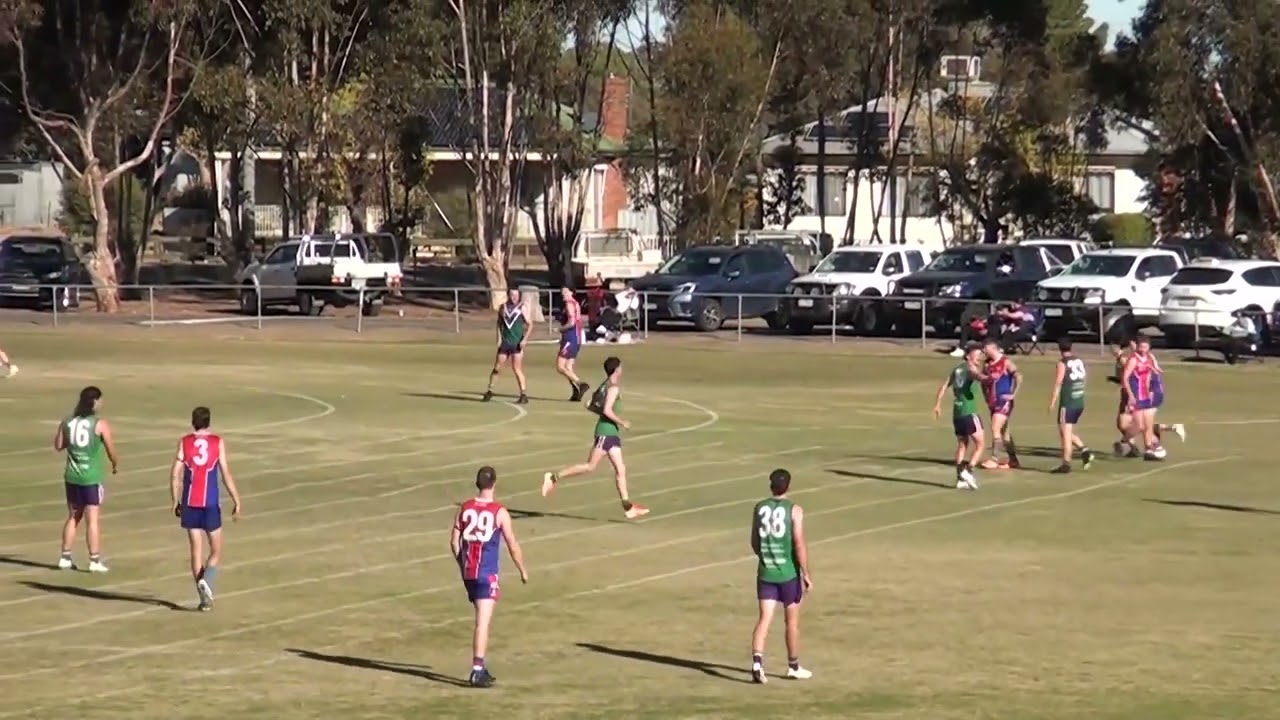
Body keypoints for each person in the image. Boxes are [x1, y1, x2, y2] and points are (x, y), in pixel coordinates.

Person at [541, 356, 649, 519]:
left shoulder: (604, 386)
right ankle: (553, 477)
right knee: (590, 467)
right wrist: (622, 422)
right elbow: (607, 410)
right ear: (616, 369)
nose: (622, 369)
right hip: (605, 432)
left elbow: (589, 404)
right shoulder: (612, 388)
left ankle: (628, 506)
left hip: (611, 433)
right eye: (620, 367)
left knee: (621, 469)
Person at [450, 466, 528, 688]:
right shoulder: (499, 511)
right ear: (494, 483)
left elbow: (454, 542)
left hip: (469, 572)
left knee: (480, 619)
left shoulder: (464, 508)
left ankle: (480, 668)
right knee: (482, 622)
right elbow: (512, 544)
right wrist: (522, 570)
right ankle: (477, 669)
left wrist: (462, 565)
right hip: (486, 573)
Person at [171, 406, 242, 611]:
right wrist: (236, 500)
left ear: (193, 421)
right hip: (210, 503)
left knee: (196, 552)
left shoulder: (185, 442)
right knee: (216, 551)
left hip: (190, 503)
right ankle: (207, 581)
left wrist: (175, 501)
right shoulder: (216, 442)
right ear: (209, 421)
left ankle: (203, 599)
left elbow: (175, 474)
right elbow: (226, 474)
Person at [750, 468, 813, 684]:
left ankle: (757, 663)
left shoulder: (759, 508)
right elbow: (798, 542)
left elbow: (754, 542)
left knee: (764, 619)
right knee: (791, 622)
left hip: (766, 572)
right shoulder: (794, 510)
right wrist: (805, 572)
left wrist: (766, 556)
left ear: (771, 486)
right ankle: (793, 666)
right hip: (788, 574)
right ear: (788, 486)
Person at [54, 386, 118, 572]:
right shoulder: (99, 424)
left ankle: (65, 557)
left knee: (74, 516)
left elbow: (59, 445)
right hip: (91, 477)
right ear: (94, 402)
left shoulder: (67, 421)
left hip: (72, 475)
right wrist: (115, 464)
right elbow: (111, 449)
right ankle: (94, 560)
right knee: (93, 519)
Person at [1120, 335, 1186, 460]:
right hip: (1136, 396)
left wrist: (1151, 390)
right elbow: (1125, 378)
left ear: (1149, 347)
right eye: (1141, 347)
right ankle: (1123, 441)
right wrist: (1130, 395)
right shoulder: (1133, 359)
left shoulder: (1149, 357)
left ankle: (1149, 450)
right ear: (1137, 347)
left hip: (1146, 395)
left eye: (1145, 347)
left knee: (1148, 424)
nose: (1143, 349)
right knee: (1139, 426)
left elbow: (1151, 373)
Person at [933, 343, 987, 490]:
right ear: (968, 356)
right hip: (969, 411)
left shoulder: (957, 369)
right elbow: (976, 375)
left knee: (962, 444)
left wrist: (937, 404)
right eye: (977, 355)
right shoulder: (971, 368)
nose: (980, 358)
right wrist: (986, 378)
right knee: (981, 444)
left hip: (957, 412)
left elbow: (944, 386)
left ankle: (959, 478)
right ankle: (968, 471)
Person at [1047, 338, 1094, 473]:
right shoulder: (1078, 360)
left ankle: (1066, 463)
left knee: (1065, 434)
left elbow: (1058, 382)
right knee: (1066, 431)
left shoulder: (1062, 363)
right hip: (1079, 400)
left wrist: (1053, 401)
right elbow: (1084, 377)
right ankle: (1085, 451)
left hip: (1068, 402)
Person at [482, 288, 530, 404]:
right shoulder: (503, 307)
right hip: (505, 342)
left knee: (517, 369)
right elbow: (499, 323)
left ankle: (523, 394)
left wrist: (524, 339)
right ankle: (490, 390)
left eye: (516, 295)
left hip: (516, 343)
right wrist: (498, 338)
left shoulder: (522, 308)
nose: (514, 297)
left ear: (519, 296)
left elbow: (530, 324)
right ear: (508, 295)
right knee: (497, 367)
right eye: (512, 295)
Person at [980, 338, 1022, 469]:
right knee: (1005, 433)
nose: (983, 352)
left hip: (1004, 401)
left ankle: (994, 459)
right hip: (993, 401)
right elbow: (983, 381)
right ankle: (1013, 460)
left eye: (985, 349)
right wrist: (986, 396)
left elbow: (1018, 377)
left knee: (995, 427)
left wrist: (1013, 394)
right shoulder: (987, 365)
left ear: (992, 348)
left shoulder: (1006, 362)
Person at [554, 287, 591, 401]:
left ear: (571, 292)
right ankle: (576, 393)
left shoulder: (569, 304)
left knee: (560, 366)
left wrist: (560, 329)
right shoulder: (576, 303)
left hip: (571, 338)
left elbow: (572, 322)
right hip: (577, 338)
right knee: (568, 367)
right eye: (562, 291)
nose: (563, 293)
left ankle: (580, 384)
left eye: (565, 291)